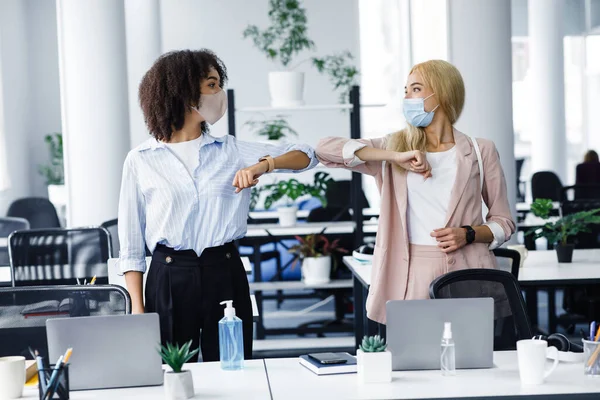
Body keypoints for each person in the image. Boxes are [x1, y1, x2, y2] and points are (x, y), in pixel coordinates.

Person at [117, 49, 318, 361]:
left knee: (232, 368)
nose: (219, 93)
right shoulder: (141, 160)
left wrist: (263, 166)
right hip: (168, 278)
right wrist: (137, 311)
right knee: (171, 373)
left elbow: (306, 155)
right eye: (211, 84)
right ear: (182, 89)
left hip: (224, 271)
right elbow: (130, 247)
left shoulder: (231, 150)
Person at [316, 60, 516, 324]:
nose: (407, 97)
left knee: (471, 359)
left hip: (469, 270)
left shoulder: (481, 150)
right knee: (414, 359)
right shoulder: (393, 148)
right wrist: (394, 156)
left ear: (442, 93)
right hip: (410, 270)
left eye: (416, 89)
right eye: (405, 90)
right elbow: (324, 149)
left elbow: (504, 221)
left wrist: (467, 234)